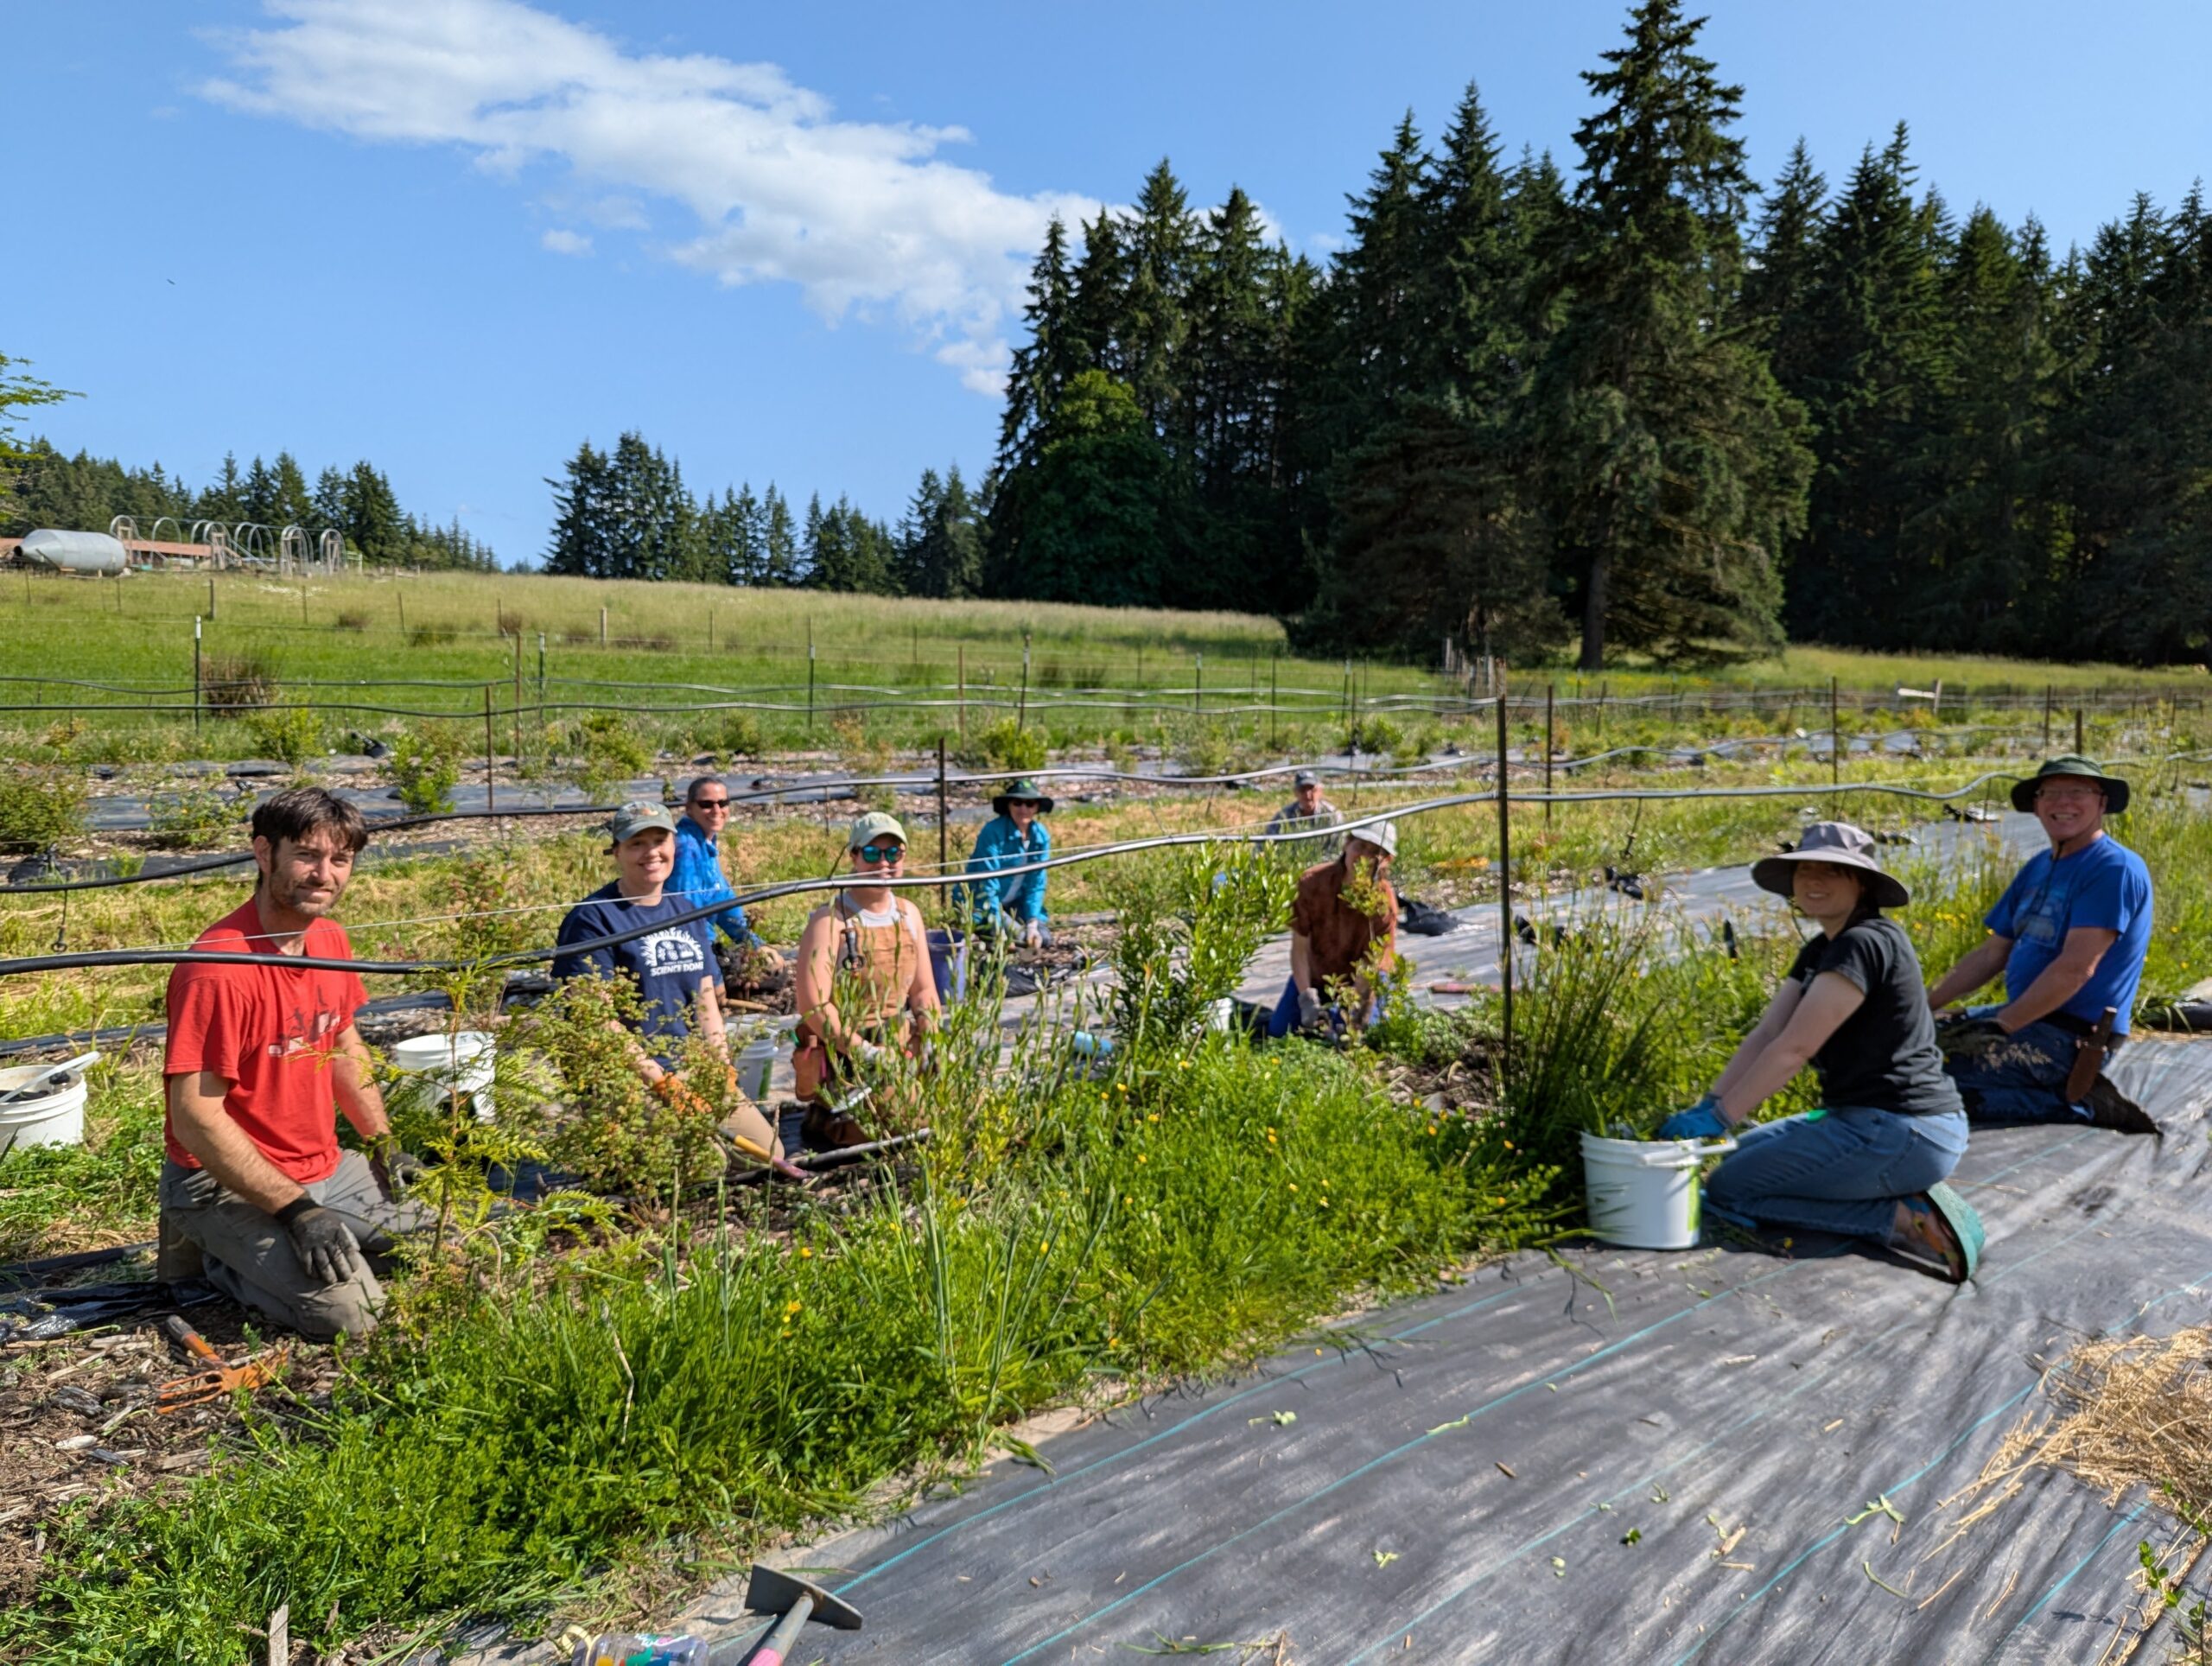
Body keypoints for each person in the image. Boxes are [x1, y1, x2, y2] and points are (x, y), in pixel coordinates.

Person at [1655, 822, 1981, 1282]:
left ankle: (1901, 1220)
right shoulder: (1821, 948)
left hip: (1902, 1128)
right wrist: (1711, 1103)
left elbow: (1795, 1047)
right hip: (1867, 1121)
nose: (1813, 880)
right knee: (1736, 1157)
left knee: (1731, 1189)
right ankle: (1894, 1190)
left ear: (1862, 883)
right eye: (1805, 869)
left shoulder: (1864, 943)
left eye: (1832, 871)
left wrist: (1725, 1117)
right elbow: (1770, 1031)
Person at [160, 786, 429, 1341]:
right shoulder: (217, 969)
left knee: (452, 1230)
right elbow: (195, 1119)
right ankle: (218, 1261)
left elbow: (345, 1050)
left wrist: (382, 1143)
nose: (323, 874)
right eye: (307, 855)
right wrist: (296, 1211)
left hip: (323, 1165)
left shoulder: (329, 939)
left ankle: (296, 1240)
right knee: (354, 1318)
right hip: (222, 1182)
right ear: (264, 854)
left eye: (340, 859)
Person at [552, 800, 798, 1176]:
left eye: (659, 840)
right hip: (629, 1077)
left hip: (690, 1066)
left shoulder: (684, 909)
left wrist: (718, 1066)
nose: (651, 852)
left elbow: (706, 1003)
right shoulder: (592, 919)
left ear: (674, 845)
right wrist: (663, 1084)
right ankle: (615, 1152)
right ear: (616, 850)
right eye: (637, 844)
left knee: (766, 1152)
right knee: (706, 1163)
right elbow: (598, 1023)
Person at [1923, 756, 2154, 1129]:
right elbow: (1991, 952)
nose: (2063, 803)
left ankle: (2077, 1102)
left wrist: (2003, 1026)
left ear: (2102, 803)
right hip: (2027, 1018)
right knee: (1905, 1046)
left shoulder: (2113, 869)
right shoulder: (2038, 867)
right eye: (2052, 793)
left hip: (2072, 1037)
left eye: (2078, 792)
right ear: (2036, 805)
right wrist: (1923, 1005)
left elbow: (2076, 969)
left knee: (1926, 1084)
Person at [792, 812, 941, 1143]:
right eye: (872, 853)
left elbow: (924, 990)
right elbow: (813, 1006)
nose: (884, 862)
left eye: (894, 853)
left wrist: (932, 1038)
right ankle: (829, 1120)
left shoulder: (909, 913)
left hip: (900, 1044)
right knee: (914, 1120)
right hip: (849, 1057)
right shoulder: (829, 922)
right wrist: (865, 1053)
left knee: (961, 1103)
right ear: (854, 857)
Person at [1268, 822, 1399, 1039]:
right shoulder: (1312, 883)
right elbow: (1299, 949)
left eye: (1374, 852)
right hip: (1318, 973)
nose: (1363, 858)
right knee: (1279, 1031)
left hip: (1363, 980)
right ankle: (1320, 1007)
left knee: (1357, 1034)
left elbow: (1370, 965)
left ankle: (1352, 1014)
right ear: (1346, 845)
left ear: (1386, 860)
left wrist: (1353, 1011)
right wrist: (1307, 999)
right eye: (1360, 847)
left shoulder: (1383, 904)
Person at [670, 773, 783, 975]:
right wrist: (710, 972)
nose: (716, 810)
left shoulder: (704, 842)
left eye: (723, 803)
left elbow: (722, 901)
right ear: (689, 808)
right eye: (706, 804)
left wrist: (754, 944)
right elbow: (688, 918)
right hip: (688, 953)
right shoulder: (687, 848)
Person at [959, 779, 1052, 948]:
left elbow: (1037, 883)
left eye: (1029, 804)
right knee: (1018, 938)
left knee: (1042, 938)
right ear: (1009, 805)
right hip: (985, 903)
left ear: (1037, 807)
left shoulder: (1040, 835)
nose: (1023, 809)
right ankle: (991, 929)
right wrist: (997, 923)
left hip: (1016, 902)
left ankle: (1020, 926)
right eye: (1017, 803)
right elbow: (987, 882)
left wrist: (1032, 921)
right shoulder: (992, 831)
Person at [1262, 769, 1344, 858]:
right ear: (1295, 793)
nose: (1308, 795)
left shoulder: (1332, 815)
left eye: (1312, 789)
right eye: (1302, 790)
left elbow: (1338, 848)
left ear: (1320, 791)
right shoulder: (1284, 816)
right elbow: (1266, 842)